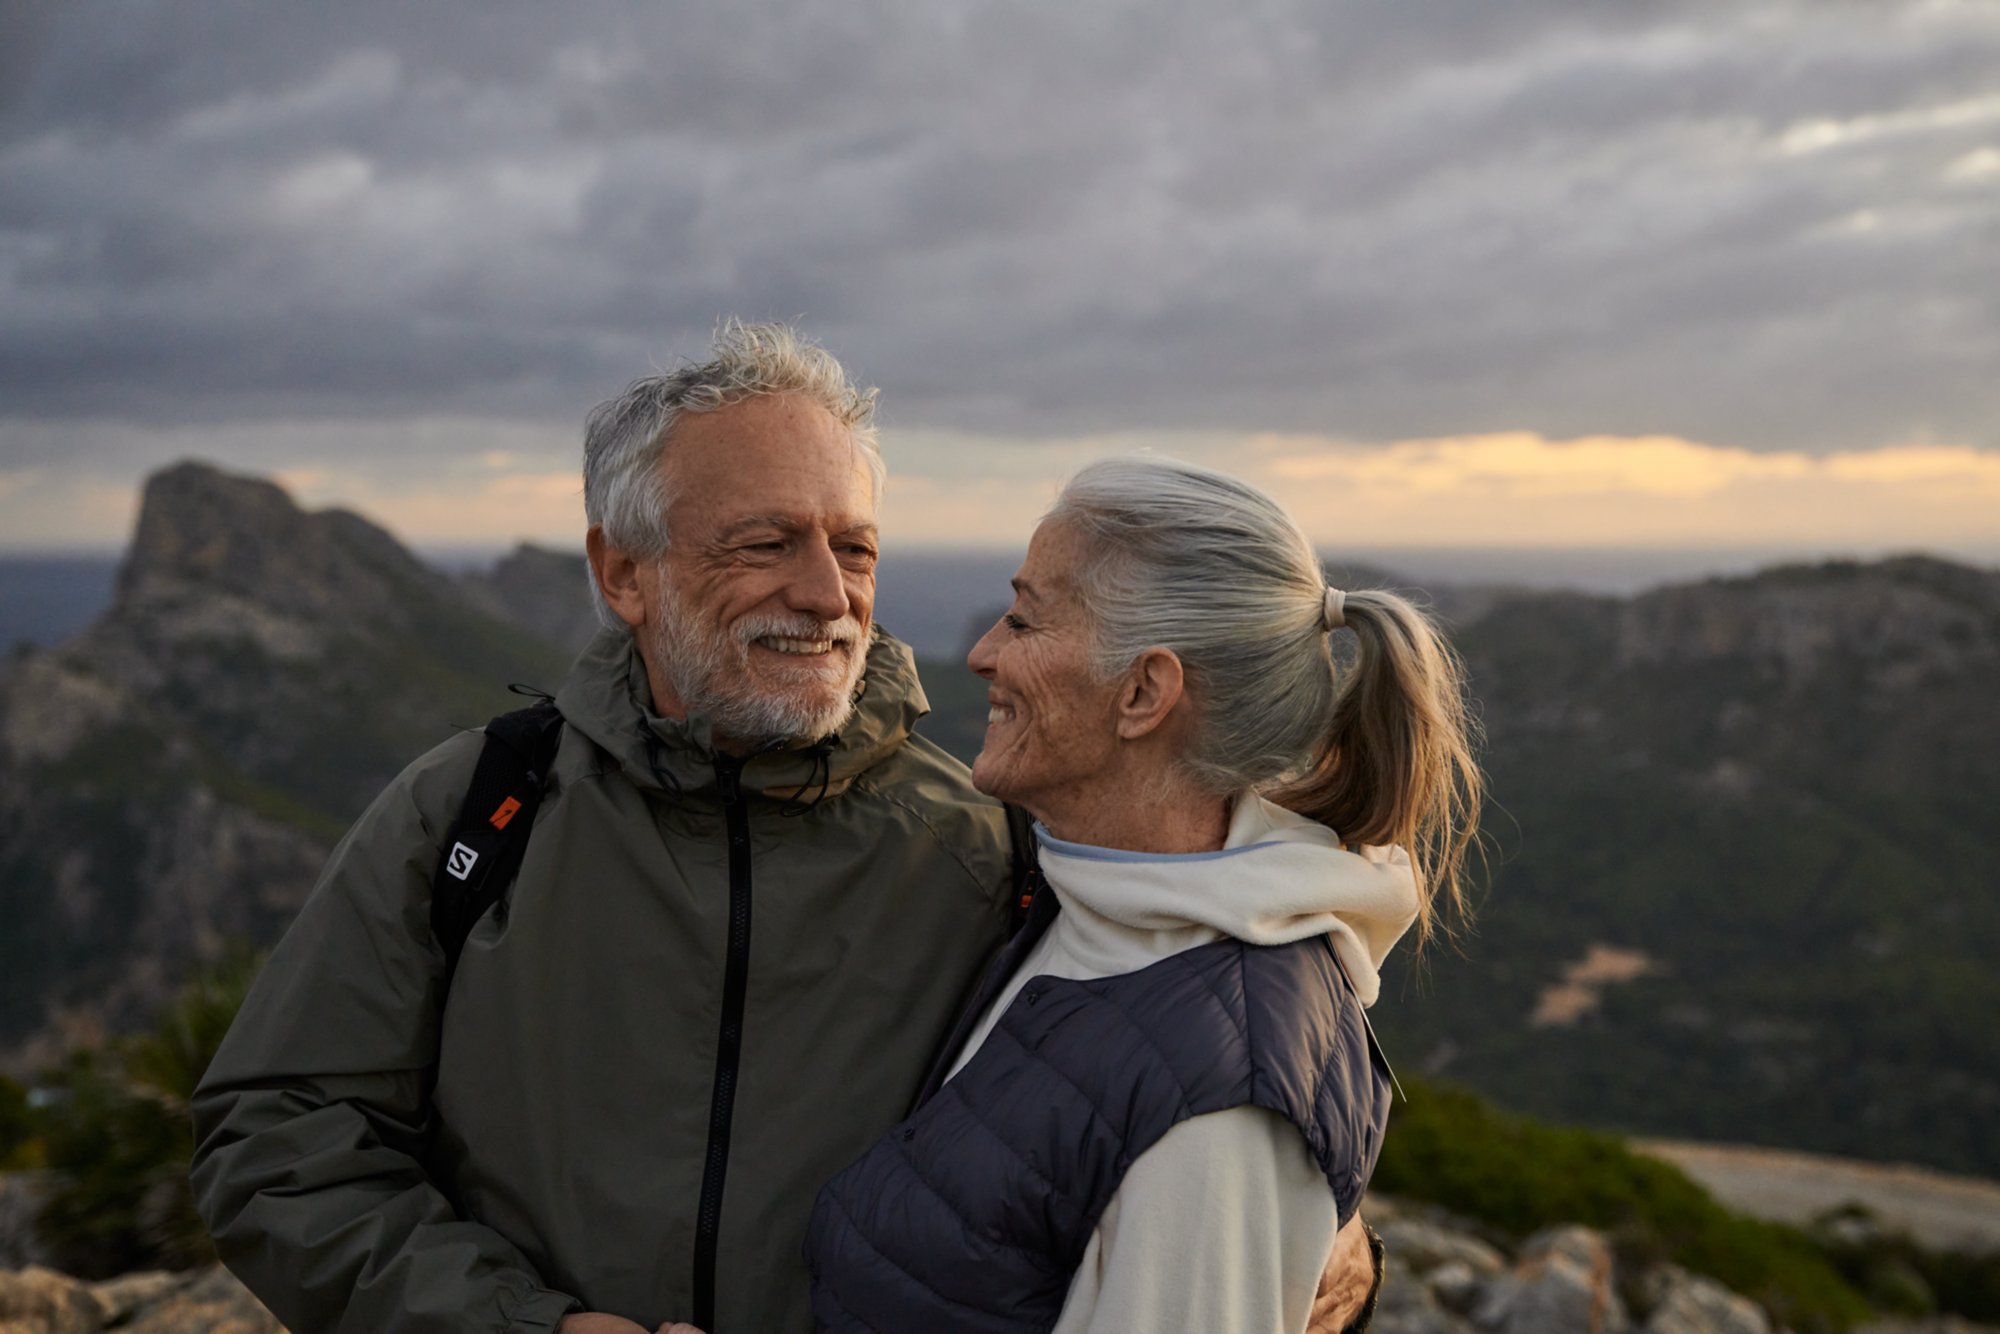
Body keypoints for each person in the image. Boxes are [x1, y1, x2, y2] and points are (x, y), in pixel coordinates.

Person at [188, 326, 1381, 1333]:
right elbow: (273, 1134)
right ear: (624, 572)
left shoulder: (991, 851)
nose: (825, 593)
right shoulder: (473, 814)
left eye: (852, 547)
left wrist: (1308, 1220)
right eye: (764, 542)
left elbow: (1194, 1042)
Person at [807, 456, 1482, 1333]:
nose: (983, 654)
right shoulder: (1074, 889)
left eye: (1023, 619)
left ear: (1143, 692)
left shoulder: (1226, 1115)